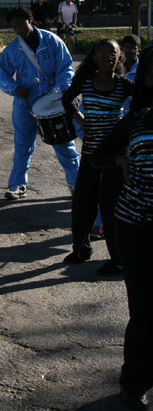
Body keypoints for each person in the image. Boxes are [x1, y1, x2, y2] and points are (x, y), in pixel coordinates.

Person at [91, 67, 153, 409]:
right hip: (138, 228)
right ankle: (135, 384)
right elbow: (98, 155)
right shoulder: (137, 122)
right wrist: (119, 160)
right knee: (145, 312)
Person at [61, 39, 133, 270]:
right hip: (91, 154)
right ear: (94, 58)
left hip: (113, 158)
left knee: (111, 208)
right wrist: (79, 118)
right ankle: (80, 250)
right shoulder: (86, 81)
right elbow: (66, 98)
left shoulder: (124, 85)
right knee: (83, 205)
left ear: (119, 57)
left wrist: (126, 132)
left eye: (112, 54)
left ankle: (117, 260)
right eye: (102, 55)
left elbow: (143, 104)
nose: (108, 59)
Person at [0, 6, 80, 199]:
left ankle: (76, 183)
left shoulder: (52, 41)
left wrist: (59, 90)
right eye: (14, 26)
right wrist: (15, 89)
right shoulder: (12, 49)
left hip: (53, 103)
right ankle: (17, 185)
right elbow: (2, 76)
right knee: (22, 146)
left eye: (21, 24)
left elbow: (66, 67)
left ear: (30, 20)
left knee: (64, 144)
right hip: (24, 105)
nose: (19, 29)